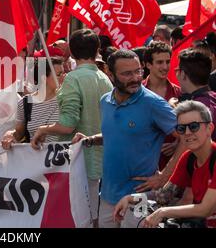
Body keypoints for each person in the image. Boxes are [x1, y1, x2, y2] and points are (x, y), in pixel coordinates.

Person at [71, 49, 177, 228]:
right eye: (127, 73)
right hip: (107, 196)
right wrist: (90, 139)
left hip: (140, 198)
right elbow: (116, 134)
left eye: (138, 71)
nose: (135, 78)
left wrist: (164, 176)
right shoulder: (105, 101)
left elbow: (188, 138)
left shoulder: (154, 103)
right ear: (110, 74)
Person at [30, 29, 113, 226]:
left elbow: (68, 126)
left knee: (78, 218)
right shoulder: (105, 79)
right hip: (100, 158)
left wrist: (43, 129)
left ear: (72, 53)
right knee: (91, 215)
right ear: (98, 51)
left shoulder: (73, 79)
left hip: (79, 162)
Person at [113, 101, 216, 228]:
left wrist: (163, 212)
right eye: (181, 129)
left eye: (194, 126)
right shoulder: (188, 158)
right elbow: (164, 195)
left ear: (209, 128)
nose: (187, 132)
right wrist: (130, 198)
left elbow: (206, 209)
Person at [1, 57, 64, 149]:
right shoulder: (25, 103)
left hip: (62, 159)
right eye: (59, 74)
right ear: (43, 78)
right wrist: (10, 135)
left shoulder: (66, 99)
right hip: (35, 159)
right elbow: (19, 133)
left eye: (63, 73)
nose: (64, 77)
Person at [143, 41, 181, 170]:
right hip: (142, 165)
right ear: (148, 64)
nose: (165, 67)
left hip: (171, 167)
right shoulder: (136, 93)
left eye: (168, 61)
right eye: (159, 62)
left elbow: (189, 129)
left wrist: (177, 143)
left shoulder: (179, 93)